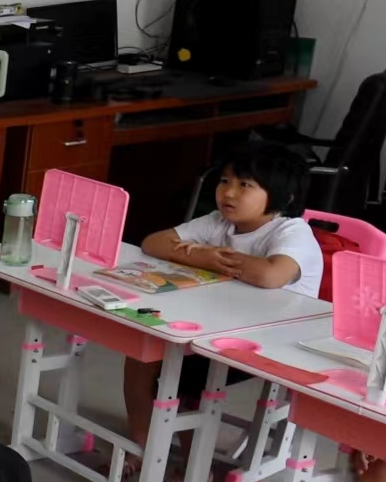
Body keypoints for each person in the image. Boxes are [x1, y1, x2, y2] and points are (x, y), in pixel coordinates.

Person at [123, 144, 322, 451]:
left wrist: (203, 255)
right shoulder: (220, 221)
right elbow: (153, 243)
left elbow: (271, 275)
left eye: (245, 185)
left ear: (285, 196)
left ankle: (192, 471)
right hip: (220, 327)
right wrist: (205, 258)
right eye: (225, 181)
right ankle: (143, 444)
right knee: (140, 355)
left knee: (184, 373)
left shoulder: (291, 232)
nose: (229, 193)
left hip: (271, 342)